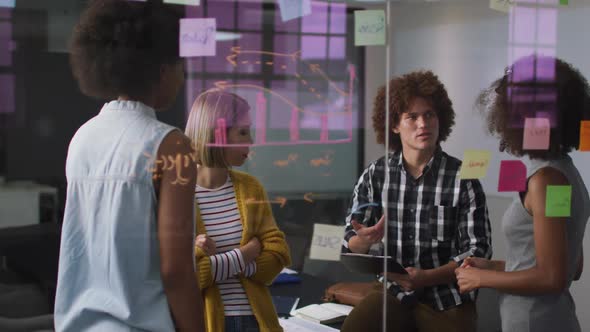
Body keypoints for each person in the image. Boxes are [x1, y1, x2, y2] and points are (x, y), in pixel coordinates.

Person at [54, 1, 204, 331]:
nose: (182, 77)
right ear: (162, 69)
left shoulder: (83, 138)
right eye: (181, 66)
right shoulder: (171, 145)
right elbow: (176, 269)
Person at [340, 71, 492, 332]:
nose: (423, 124)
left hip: (447, 299)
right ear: (395, 125)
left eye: (430, 115)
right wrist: (365, 239)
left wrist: (427, 278)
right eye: (412, 116)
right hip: (391, 291)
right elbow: (349, 242)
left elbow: (479, 251)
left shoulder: (464, 178)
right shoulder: (376, 174)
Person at [456, 55, 590, 332]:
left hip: (534, 322)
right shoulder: (562, 174)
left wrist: (482, 278)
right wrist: (492, 267)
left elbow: (552, 277)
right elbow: (569, 268)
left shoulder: (546, 181)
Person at [185, 89, 292, 332]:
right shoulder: (178, 193)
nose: (251, 141)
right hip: (207, 323)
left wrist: (219, 263)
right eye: (242, 132)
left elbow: (278, 254)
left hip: (256, 321)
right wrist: (246, 253)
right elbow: (188, 276)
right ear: (217, 133)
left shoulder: (250, 187)